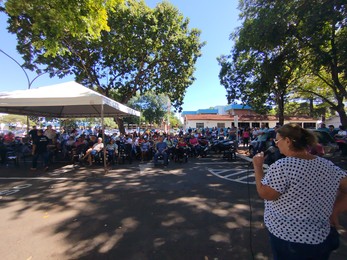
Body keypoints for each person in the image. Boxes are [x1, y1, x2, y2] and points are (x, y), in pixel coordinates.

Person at [252, 123, 347, 259]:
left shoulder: (283, 166)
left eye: (277, 141)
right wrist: (335, 211)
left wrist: (258, 167)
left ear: (288, 141)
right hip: (323, 236)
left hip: (289, 238)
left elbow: (265, 193)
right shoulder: (327, 165)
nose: (276, 144)